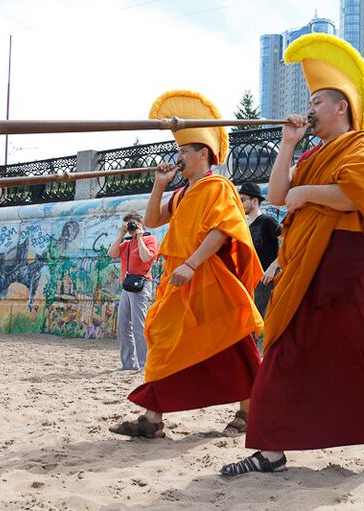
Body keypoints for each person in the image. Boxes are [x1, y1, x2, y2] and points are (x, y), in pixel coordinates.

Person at [220, 33, 364, 477]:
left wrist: (304, 195)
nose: (310, 108)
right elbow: (277, 193)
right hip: (305, 269)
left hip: (353, 268)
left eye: (318, 100)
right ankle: (270, 450)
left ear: (342, 107)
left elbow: (357, 195)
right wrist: (288, 144)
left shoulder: (363, 146)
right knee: (283, 349)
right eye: (309, 100)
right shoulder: (313, 153)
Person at [109, 90, 264, 439]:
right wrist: (159, 186)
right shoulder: (180, 193)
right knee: (163, 339)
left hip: (208, 275)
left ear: (203, 153)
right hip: (178, 279)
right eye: (178, 150)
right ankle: (153, 418)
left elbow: (222, 231)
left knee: (232, 342)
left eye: (183, 150)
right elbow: (152, 218)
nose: (178, 156)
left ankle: (249, 410)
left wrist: (192, 265)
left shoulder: (218, 186)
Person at [106, 211, 158, 370]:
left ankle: (145, 365)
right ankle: (129, 364)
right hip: (126, 287)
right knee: (122, 326)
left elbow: (146, 257)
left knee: (139, 326)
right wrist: (121, 235)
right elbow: (111, 253)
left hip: (141, 286)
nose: (131, 229)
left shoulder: (151, 239)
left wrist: (140, 237)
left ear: (141, 223)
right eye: (129, 226)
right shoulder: (126, 243)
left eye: (133, 224)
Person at [238, 182, 281, 317]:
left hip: (267, 280)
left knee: (261, 322)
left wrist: (273, 267)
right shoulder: (248, 228)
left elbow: (289, 241)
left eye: (243, 200)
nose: (240, 204)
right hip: (255, 281)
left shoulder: (267, 221)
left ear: (255, 201)